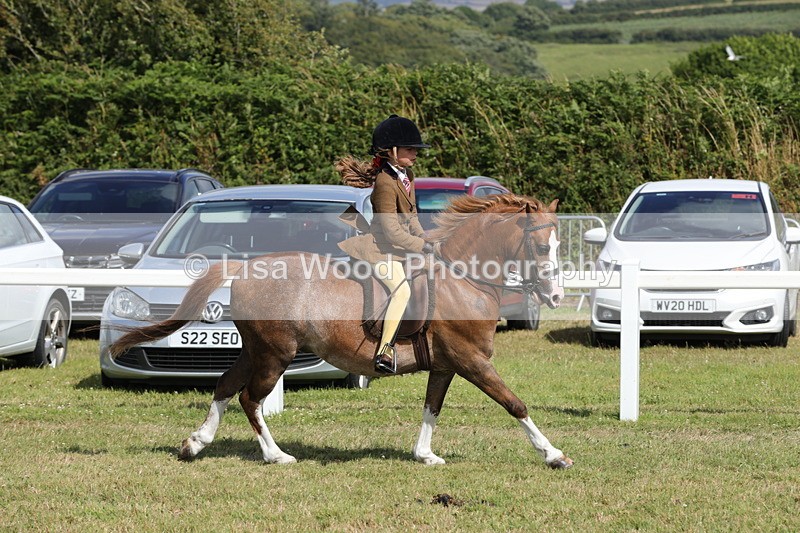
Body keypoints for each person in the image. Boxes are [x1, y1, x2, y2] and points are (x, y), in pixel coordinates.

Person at [336, 115, 437, 373]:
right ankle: (385, 351)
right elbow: (391, 231)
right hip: (379, 249)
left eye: (415, 149)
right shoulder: (384, 182)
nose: (415, 154)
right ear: (391, 152)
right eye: (409, 149)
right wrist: (420, 246)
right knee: (401, 290)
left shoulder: (407, 174)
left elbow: (411, 217)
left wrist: (426, 239)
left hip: (399, 248)